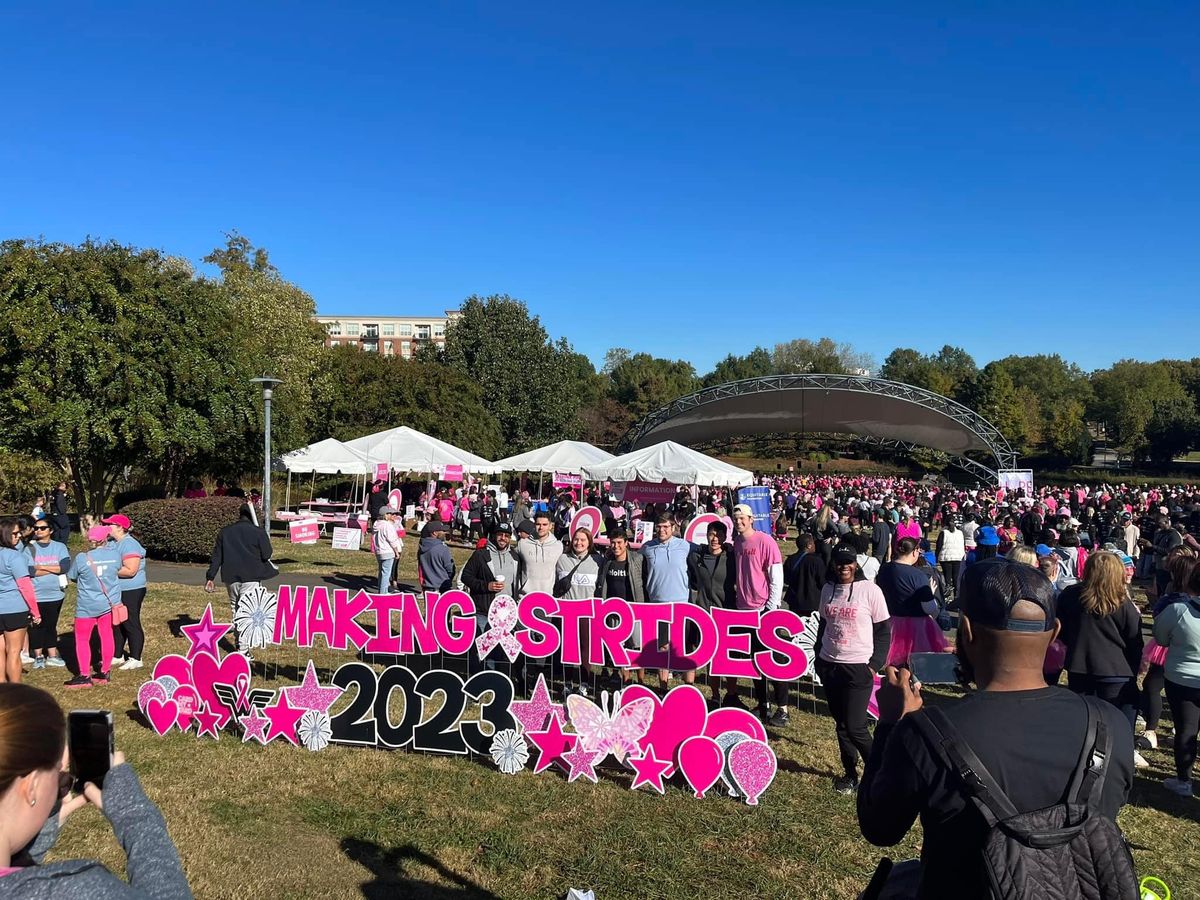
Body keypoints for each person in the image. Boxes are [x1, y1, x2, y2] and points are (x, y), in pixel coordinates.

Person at [858, 558, 1136, 899]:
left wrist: (890, 722)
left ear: (968, 631)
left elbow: (879, 828)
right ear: (1056, 633)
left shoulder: (924, 733)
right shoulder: (1111, 724)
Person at [0, 683, 192, 897]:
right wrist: (134, 814)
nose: (62, 785)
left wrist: (38, 837)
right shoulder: (79, 891)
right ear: (32, 786)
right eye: (59, 777)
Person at [815, 545, 890, 794]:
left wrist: (873, 665)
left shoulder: (870, 590)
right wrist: (818, 656)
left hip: (858, 666)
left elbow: (883, 631)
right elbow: (823, 624)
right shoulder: (828, 589)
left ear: (856, 564)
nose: (843, 567)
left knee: (856, 726)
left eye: (848, 562)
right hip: (830, 664)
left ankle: (879, 773)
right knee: (841, 725)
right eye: (839, 562)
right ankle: (850, 775)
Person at [730, 504, 786, 723]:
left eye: (742, 518)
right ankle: (764, 703)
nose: (739, 522)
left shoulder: (765, 541)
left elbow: (776, 575)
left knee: (773, 660)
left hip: (763, 608)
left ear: (751, 519)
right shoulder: (737, 542)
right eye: (736, 519)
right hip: (744, 609)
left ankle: (783, 708)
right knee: (755, 661)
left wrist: (771, 606)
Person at [1152, 559, 1200, 797]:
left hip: (1182, 679)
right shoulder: (1179, 610)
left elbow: (1160, 638)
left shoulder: (1178, 610)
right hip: (1184, 678)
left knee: (1186, 729)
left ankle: (1184, 781)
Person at [203, 504, 278, 652]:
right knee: (247, 611)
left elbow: (217, 557)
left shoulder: (225, 532)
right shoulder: (258, 532)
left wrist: (210, 576)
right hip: (252, 576)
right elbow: (267, 554)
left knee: (236, 609)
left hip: (230, 576)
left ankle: (240, 644)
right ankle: (243, 650)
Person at [64, 526, 123, 689]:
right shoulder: (115, 555)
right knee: (107, 636)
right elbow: (117, 570)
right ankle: (105, 671)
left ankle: (84, 675)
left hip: (87, 605)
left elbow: (72, 576)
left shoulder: (83, 558)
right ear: (105, 539)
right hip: (108, 603)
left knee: (82, 640)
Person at [875, 537, 946, 666]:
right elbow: (930, 608)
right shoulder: (917, 575)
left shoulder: (884, 569)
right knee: (918, 662)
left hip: (891, 620)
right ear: (915, 551)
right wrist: (930, 592)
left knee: (893, 658)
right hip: (917, 624)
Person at [641, 514, 693, 689]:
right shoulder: (647, 548)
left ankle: (688, 688)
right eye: (659, 527)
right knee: (662, 647)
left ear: (673, 527)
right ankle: (663, 688)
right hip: (657, 604)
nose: (661, 530)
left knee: (682, 648)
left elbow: (705, 551)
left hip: (681, 603)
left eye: (665, 527)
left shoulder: (685, 546)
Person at [554, 528, 604, 696]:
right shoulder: (561, 559)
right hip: (566, 610)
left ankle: (584, 683)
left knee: (585, 648)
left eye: (583, 540)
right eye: (576, 539)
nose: (579, 543)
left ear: (589, 542)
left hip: (587, 611)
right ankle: (567, 683)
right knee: (567, 648)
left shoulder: (597, 560)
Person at [101, 515, 147, 672]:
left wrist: (106, 570)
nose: (107, 527)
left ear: (120, 527)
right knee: (117, 622)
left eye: (110, 525)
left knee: (130, 622)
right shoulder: (113, 543)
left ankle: (136, 658)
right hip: (117, 589)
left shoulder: (129, 544)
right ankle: (117, 654)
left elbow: (130, 570)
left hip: (131, 589)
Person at [0, 519, 40, 684]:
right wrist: (35, 611)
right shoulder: (14, 556)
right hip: (14, 608)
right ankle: (16, 691)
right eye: (15, 533)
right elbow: (25, 586)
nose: (18, 536)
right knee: (14, 652)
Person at [25, 519, 68, 670]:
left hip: (56, 594)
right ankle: (38, 656)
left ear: (50, 530)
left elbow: (64, 567)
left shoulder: (59, 547)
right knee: (37, 626)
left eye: (42, 528)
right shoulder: (29, 548)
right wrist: (52, 568)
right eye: (36, 528)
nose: (38, 531)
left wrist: (41, 567)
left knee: (51, 625)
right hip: (36, 595)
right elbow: (30, 571)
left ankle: (52, 655)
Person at [515, 512, 563, 598]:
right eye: (538, 524)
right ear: (534, 525)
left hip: (548, 596)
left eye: (544, 524)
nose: (541, 527)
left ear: (550, 526)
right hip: (525, 596)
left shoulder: (558, 546)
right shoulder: (522, 544)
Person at [783, 533, 827, 615]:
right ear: (809, 545)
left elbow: (786, 580)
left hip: (793, 600)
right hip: (812, 602)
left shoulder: (790, 559)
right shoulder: (816, 561)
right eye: (813, 543)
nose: (815, 545)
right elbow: (822, 582)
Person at [371, 507, 405, 594]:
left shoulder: (376, 524)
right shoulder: (387, 525)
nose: (393, 515)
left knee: (382, 572)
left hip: (379, 551)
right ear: (385, 515)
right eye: (391, 514)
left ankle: (382, 591)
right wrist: (396, 552)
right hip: (388, 551)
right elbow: (392, 540)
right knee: (386, 574)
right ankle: (383, 593)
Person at [417, 520, 455, 592]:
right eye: (442, 531)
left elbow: (420, 568)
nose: (444, 533)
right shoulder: (443, 549)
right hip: (442, 587)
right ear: (434, 533)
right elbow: (450, 569)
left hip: (427, 587)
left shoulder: (421, 548)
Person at [935, 516, 965, 600]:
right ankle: (956, 595)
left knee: (947, 577)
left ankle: (947, 595)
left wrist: (936, 556)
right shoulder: (960, 532)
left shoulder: (943, 532)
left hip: (946, 557)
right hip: (957, 556)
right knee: (955, 577)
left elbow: (939, 546)